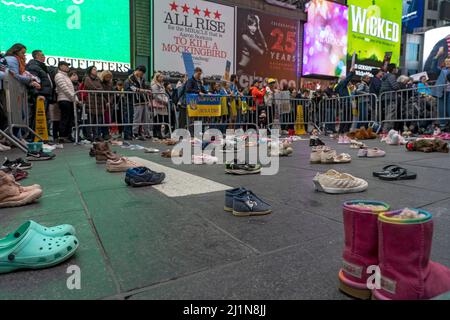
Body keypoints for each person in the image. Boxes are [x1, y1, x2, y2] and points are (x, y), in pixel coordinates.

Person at [26, 50, 54, 132]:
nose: (44, 57)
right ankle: (34, 137)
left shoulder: (42, 67)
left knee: (43, 117)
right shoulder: (33, 66)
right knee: (38, 117)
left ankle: (41, 138)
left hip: (44, 95)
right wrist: (37, 94)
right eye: (42, 55)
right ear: (37, 56)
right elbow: (33, 81)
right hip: (40, 96)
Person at [124, 65, 151, 140]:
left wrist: (147, 90)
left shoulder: (142, 79)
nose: (142, 75)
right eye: (141, 73)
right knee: (136, 118)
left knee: (145, 118)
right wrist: (144, 90)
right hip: (135, 101)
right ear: (138, 70)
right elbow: (133, 89)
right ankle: (134, 133)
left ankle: (145, 132)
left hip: (143, 100)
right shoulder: (130, 79)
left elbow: (145, 87)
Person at [54, 62, 78, 142]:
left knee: (69, 119)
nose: (68, 67)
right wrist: (75, 98)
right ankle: (62, 136)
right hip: (64, 100)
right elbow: (65, 89)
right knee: (65, 119)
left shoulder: (65, 76)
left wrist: (74, 99)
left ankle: (67, 136)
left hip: (69, 100)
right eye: (66, 65)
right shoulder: (59, 76)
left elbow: (71, 90)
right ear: (61, 66)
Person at [83, 66, 107, 141]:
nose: (95, 70)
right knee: (90, 120)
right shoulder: (87, 78)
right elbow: (91, 87)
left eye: (96, 69)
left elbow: (102, 88)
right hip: (90, 102)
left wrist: (98, 90)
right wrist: (98, 90)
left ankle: (96, 136)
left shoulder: (98, 79)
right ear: (90, 70)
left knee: (98, 121)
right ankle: (89, 136)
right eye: (94, 69)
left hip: (99, 102)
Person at [430, 49, 450, 130]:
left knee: (449, 110)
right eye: (446, 61)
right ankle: (443, 127)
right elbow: (433, 67)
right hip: (442, 93)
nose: (447, 63)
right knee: (442, 110)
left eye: (449, 61)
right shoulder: (442, 70)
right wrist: (437, 55)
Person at [334, 67, 355, 133]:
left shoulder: (340, 86)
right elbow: (347, 79)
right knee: (348, 117)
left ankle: (342, 130)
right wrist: (351, 72)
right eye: (344, 78)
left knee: (345, 117)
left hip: (344, 102)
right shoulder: (341, 84)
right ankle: (345, 130)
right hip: (346, 103)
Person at [151, 72, 169, 139]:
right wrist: (163, 101)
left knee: (161, 119)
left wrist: (165, 100)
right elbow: (155, 95)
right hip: (158, 104)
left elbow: (164, 94)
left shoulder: (162, 85)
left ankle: (158, 133)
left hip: (162, 104)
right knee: (157, 119)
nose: (162, 78)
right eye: (160, 77)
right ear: (157, 77)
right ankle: (156, 133)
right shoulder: (155, 85)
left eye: (162, 77)